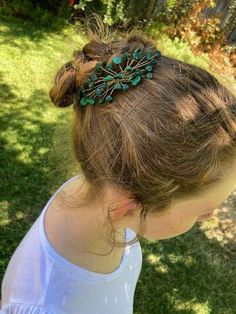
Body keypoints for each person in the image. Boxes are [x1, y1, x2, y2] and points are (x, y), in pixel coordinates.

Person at [1, 17, 236, 314]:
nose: (209, 216)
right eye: (203, 212)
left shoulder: (97, 196)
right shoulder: (47, 304)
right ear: (129, 207)